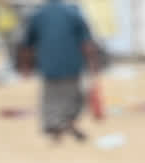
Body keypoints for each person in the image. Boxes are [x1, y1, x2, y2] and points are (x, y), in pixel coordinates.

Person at [18, 0, 98, 142]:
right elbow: (86, 42)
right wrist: (92, 64)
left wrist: (26, 66)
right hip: (71, 64)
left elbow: (27, 45)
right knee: (74, 99)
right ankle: (66, 123)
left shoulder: (37, 15)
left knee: (51, 100)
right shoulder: (73, 13)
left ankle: (56, 127)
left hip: (49, 65)